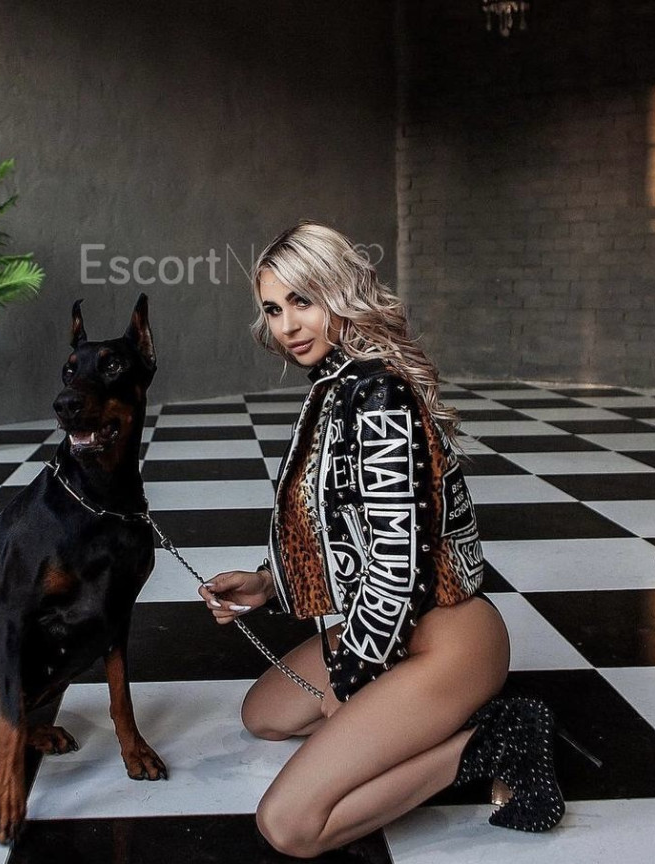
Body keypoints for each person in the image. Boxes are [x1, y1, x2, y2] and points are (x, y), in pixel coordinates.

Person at [198, 221, 566, 858]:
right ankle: (424, 713)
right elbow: (338, 523)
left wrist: (353, 678)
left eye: (303, 301)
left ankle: (494, 741)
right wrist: (266, 583)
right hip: (396, 627)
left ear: (340, 292)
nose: (287, 325)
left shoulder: (380, 396)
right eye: (273, 308)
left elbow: (398, 565)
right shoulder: (337, 386)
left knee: (291, 826)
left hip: (448, 636)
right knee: (265, 715)